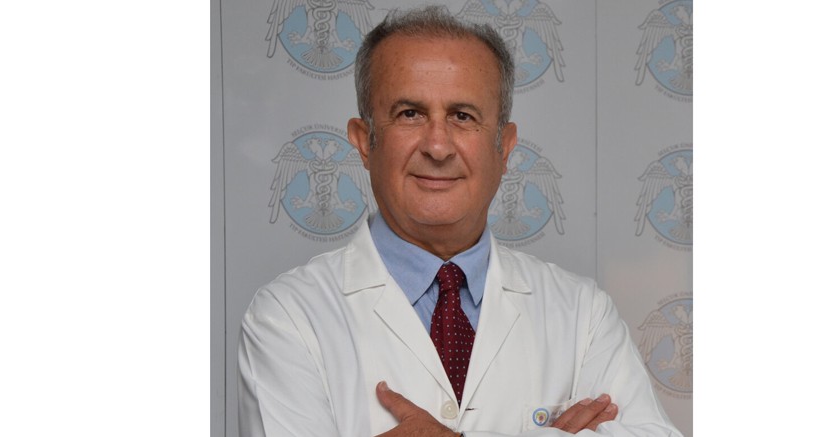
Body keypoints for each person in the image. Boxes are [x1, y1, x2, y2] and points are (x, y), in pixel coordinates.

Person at [238, 5, 682, 437]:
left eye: (462, 116)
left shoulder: (582, 314)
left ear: (504, 147)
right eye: (410, 114)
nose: (437, 146)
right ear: (364, 141)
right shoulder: (288, 317)